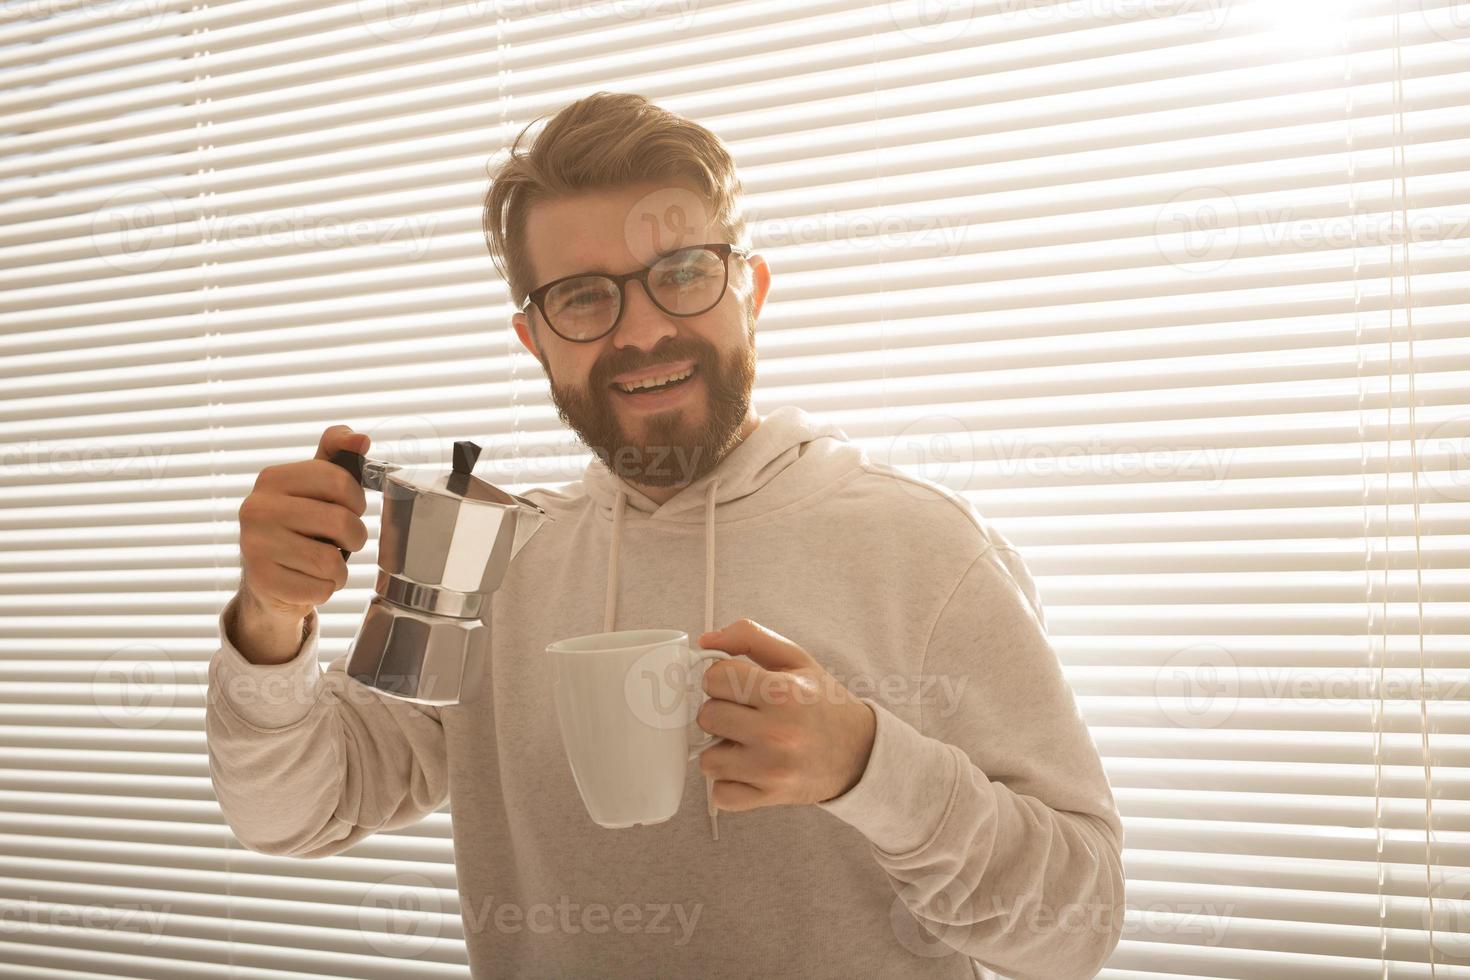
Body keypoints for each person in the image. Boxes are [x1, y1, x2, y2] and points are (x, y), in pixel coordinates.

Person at [207, 91, 1125, 980]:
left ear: (750, 290)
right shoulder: (497, 561)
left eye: (683, 274)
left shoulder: (925, 549)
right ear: (535, 340)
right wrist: (271, 622)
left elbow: (1076, 932)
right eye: (581, 297)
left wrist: (865, 765)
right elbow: (290, 810)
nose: (642, 330)